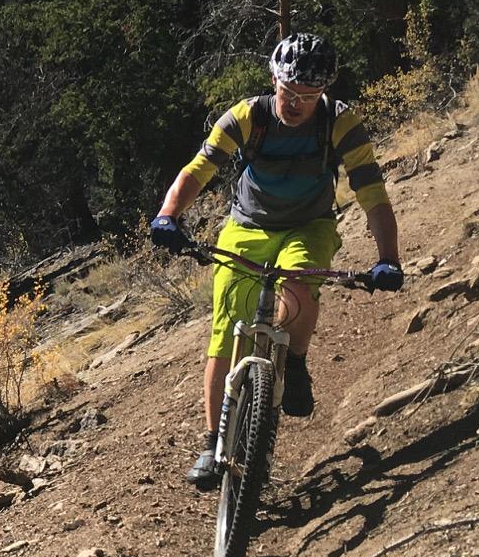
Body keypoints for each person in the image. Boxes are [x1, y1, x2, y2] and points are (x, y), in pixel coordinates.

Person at [148, 33, 403, 489]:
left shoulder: (340, 123)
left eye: (310, 96)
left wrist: (389, 258)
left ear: (323, 92)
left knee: (300, 287)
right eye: (290, 93)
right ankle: (212, 445)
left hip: (310, 225)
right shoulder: (248, 117)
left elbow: (372, 194)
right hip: (247, 226)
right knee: (226, 333)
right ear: (273, 81)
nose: (297, 104)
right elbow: (200, 168)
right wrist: (169, 215)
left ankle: (297, 363)